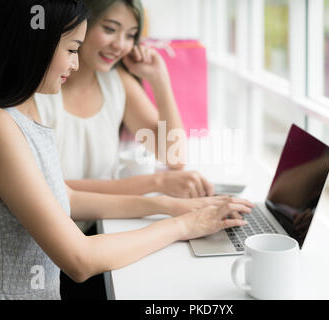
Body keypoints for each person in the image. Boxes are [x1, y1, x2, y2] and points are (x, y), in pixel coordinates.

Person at [0, 0, 253, 300]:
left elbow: (66, 196)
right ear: (35, 42)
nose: (74, 64)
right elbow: (79, 260)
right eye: (72, 49)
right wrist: (182, 225)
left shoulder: (24, 107)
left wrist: (169, 206)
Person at [33, 0, 214, 207]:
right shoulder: (39, 89)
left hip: (102, 223)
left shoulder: (116, 82)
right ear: (78, 24)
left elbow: (174, 155)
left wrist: (159, 80)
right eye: (110, 29)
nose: (120, 45)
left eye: (130, 35)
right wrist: (156, 183)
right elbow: (48, 189)